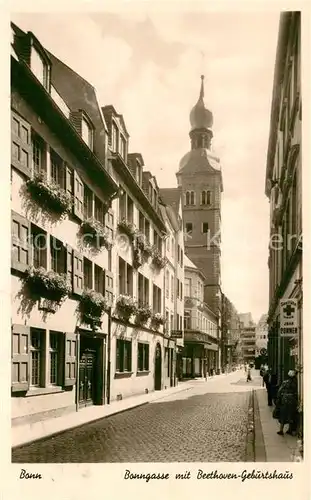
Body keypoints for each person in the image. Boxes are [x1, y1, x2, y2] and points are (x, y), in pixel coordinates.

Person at [275, 370, 298, 436]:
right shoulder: (295, 384)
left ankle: (281, 430)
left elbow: (279, 391)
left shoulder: (285, 382)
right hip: (292, 400)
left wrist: (278, 399)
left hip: (284, 400)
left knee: (283, 415)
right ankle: (290, 430)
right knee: (291, 415)